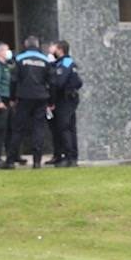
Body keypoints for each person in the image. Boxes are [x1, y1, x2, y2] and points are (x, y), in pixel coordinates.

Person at [4, 36, 53, 170]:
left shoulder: (20, 59)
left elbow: (13, 80)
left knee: (18, 129)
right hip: (41, 97)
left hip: (24, 97)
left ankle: (10, 161)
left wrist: (12, 98)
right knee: (38, 129)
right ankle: (37, 162)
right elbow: (51, 81)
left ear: (25, 45)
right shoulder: (45, 60)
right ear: (37, 45)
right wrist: (51, 101)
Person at [48, 40, 83, 168]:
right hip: (65, 99)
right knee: (66, 128)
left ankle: (70, 157)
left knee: (65, 128)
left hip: (65, 99)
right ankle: (66, 156)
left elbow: (59, 82)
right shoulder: (59, 63)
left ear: (60, 49)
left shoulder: (66, 62)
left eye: (53, 47)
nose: (51, 48)